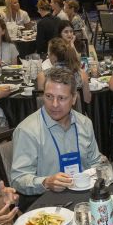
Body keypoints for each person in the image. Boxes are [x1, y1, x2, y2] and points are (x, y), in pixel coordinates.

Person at [11, 67, 101, 195]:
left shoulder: (85, 123)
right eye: (49, 96)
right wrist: (46, 182)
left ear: (74, 98)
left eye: (61, 98)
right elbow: (17, 179)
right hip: (47, 202)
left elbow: (95, 162)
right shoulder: (27, 130)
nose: (54, 104)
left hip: (84, 194)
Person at [37, 37, 92, 104]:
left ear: (53, 55)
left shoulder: (43, 76)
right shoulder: (81, 73)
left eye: (48, 52)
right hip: (75, 112)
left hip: (52, 113)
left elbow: (41, 103)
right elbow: (87, 99)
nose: (48, 55)